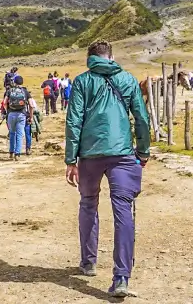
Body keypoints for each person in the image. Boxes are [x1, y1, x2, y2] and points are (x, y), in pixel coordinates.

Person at [65, 40, 151, 298]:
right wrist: (143, 151)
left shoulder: (82, 81)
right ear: (111, 57)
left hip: (89, 154)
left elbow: (74, 120)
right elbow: (141, 118)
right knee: (123, 210)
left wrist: (71, 159)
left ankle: (88, 262)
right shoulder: (128, 79)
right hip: (122, 153)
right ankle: (121, 277)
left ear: (90, 58)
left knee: (88, 203)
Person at [2, 75, 32, 160]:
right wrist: (31, 116)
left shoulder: (9, 91)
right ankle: (17, 153)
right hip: (21, 115)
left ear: (14, 82)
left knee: (12, 133)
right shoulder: (25, 91)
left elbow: (4, 102)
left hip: (11, 114)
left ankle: (11, 152)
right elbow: (31, 105)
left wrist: (7, 111)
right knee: (19, 134)